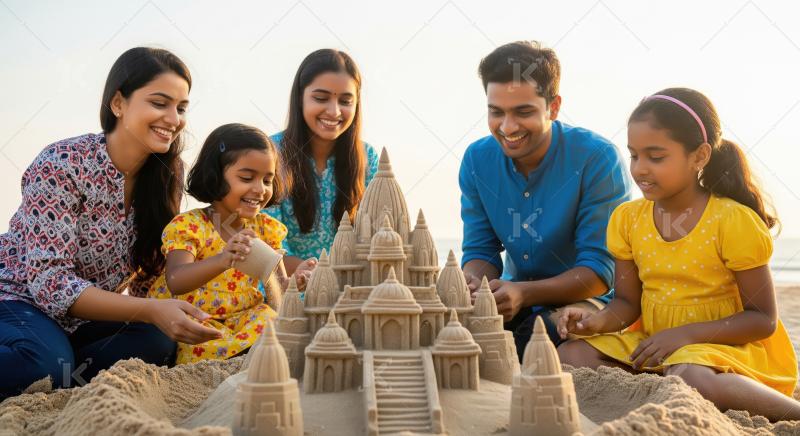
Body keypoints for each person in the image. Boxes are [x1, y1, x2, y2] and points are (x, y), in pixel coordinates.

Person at [557, 87, 800, 421]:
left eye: (655, 157)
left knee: (690, 376)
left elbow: (762, 319)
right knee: (570, 355)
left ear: (699, 156)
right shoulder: (628, 219)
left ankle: (794, 413)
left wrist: (685, 335)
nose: (640, 169)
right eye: (634, 155)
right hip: (656, 344)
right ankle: (660, 386)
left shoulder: (732, 220)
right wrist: (595, 321)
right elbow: (627, 304)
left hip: (724, 349)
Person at [0, 47, 220, 398]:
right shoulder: (63, 162)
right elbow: (48, 282)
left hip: (83, 321)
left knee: (158, 343)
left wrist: (166, 310)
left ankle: (58, 370)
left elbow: (150, 271)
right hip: (16, 300)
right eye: (159, 103)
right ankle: (49, 363)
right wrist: (150, 309)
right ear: (118, 103)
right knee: (42, 363)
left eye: (181, 108)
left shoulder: (168, 173)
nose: (173, 119)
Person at [459, 41, 631, 358]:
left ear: (553, 106)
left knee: (533, 341)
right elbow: (481, 251)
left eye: (523, 112)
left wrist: (524, 293)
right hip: (515, 294)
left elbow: (598, 273)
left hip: (591, 300)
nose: (507, 127)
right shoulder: (476, 160)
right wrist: (472, 286)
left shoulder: (598, 158)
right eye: (496, 112)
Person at [147, 123, 315, 364]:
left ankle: (255, 358)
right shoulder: (191, 225)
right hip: (198, 315)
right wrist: (222, 260)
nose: (259, 189)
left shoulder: (265, 228)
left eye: (267, 180)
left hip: (243, 316)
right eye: (247, 178)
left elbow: (276, 286)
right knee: (207, 342)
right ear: (215, 175)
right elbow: (176, 280)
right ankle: (239, 360)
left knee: (276, 323)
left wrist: (295, 281)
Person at [264, 49, 379, 280]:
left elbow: (379, 235)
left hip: (351, 288)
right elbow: (270, 245)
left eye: (345, 101)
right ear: (300, 97)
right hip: (287, 286)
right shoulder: (271, 152)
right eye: (321, 98)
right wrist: (321, 277)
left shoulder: (367, 157)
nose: (334, 111)